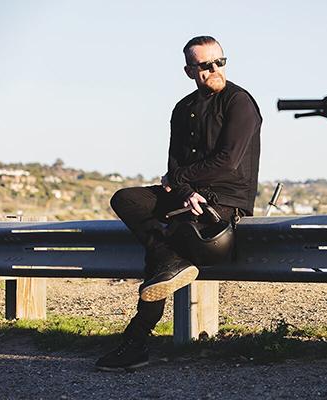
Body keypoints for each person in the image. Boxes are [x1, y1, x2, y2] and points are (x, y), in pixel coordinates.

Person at [95, 35, 262, 371]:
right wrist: (184, 188)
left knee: (161, 253)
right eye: (205, 65)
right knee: (126, 198)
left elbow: (228, 160)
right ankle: (167, 259)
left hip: (224, 201)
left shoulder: (239, 102)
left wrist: (182, 182)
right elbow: (174, 165)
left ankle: (135, 341)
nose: (215, 69)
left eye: (220, 61)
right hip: (187, 196)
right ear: (190, 70)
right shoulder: (182, 108)